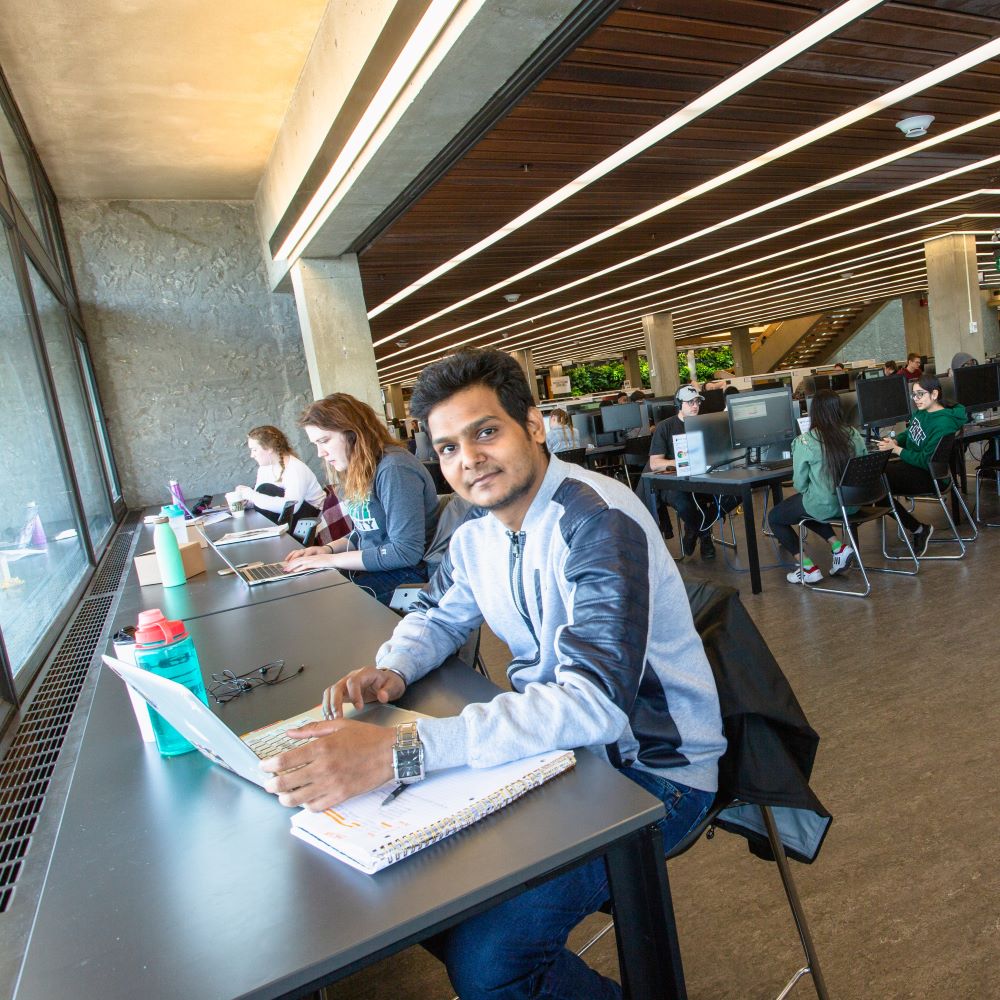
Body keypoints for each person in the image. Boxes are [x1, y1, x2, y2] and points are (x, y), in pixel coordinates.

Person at [261, 348, 725, 1000]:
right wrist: (392, 670)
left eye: (485, 432)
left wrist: (399, 751)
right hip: (563, 755)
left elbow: (594, 704)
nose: (467, 459)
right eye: (448, 447)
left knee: (489, 964)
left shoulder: (598, 521)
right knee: (421, 896)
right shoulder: (479, 530)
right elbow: (436, 614)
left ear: (534, 426)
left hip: (649, 773)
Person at [282, 394, 439, 605]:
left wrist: (330, 560)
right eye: (316, 444)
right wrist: (327, 550)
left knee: (319, 605)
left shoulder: (395, 469)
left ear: (353, 434)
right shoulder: (361, 469)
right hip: (379, 570)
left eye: (324, 441)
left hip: (407, 576)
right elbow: (366, 533)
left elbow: (405, 552)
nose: (320, 453)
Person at [767, 390, 867, 585]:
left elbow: (799, 484)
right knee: (806, 507)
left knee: (776, 518)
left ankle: (808, 568)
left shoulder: (805, 441)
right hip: (852, 504)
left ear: (815, 414)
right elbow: (862, 466)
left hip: (825, 505)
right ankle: (838, 547)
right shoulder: (854, 434)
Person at [875, 374, 967, 555]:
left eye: (920, 394)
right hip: (914, 468)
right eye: (914, 395)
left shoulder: (944, 423)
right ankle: (918, 528)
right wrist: (893, 441)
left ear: (934, 394)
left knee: (876, 483)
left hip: (931, 476)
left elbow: (926, 460)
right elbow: (910, 434)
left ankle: (918, 529)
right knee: (875, 482)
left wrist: (896, 450)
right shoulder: (923, 412)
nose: (916, 399)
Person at [645, 385, 719, 560]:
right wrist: (679, 463)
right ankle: (705, 535)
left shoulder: (705, 424)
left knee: (734, 495)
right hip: (673, 483)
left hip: (703, 478)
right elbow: (655, 464)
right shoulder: (665, 427)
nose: (695, 406)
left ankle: (693, 529)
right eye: (690, 402)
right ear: (679, 404)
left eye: (697, 402)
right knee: (685, 504)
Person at [234, 425, 324, 523]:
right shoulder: (264, 468)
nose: (252, 455)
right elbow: (261, 499)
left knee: (265, 489)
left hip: (312, 517)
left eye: (254, 450)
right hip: (292, 515)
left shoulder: (295, 469)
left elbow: (292, 507)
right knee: (262, 491)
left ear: (269, 448)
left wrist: (251, 495)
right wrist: (246, 501)